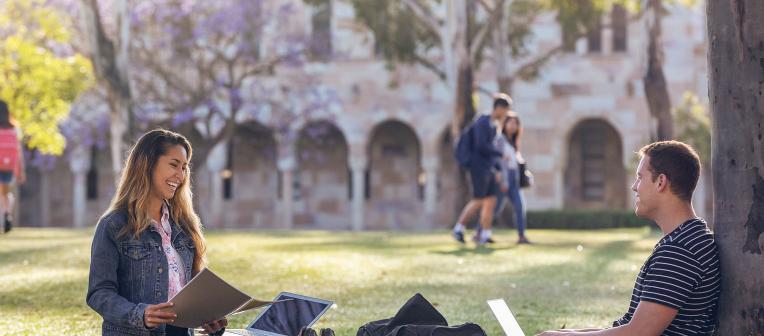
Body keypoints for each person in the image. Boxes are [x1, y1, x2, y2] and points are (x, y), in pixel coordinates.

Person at [537, 141, 721, 336]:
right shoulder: (692, 237)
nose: (634, 187)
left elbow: (638, 333)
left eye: (640, 178)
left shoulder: (680, 251)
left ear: (661, 182)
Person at [87, 129, 227, 336]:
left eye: (184, 167)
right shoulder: (114, 225)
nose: (180, 175)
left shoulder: (184, 226)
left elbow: (193, 292)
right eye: (173, 165)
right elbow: (99, 293)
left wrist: (211, 320)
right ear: (147, 165)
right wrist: (140, 314)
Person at [452, 93, 510, 245]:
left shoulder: (493, 125)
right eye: (505, 111)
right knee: (478, 200)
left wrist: (496, 167)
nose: (505, 115)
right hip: (478, 167)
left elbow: (490, 152)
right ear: (499, 108)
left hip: (488, 167)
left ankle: (485, 234)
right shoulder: (482, 122)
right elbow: (481, 146)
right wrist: (500, 154)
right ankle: (459, 228)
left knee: (490, 200)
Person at [492, 112, 530, 244]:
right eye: (511, 122)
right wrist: (499, 173)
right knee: (495, 208)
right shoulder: (500, 140)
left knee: (520, 207)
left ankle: (521, 236)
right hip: (504, 177)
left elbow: (515, 161)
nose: (513, 126)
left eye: (516, 123)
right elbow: (496, 158)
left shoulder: (514, 142)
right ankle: (480, 232)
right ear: (505, 124)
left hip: (515, 178)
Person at [0, 100, 25, 233]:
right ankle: (7, 215)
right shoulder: (14, 128)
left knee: (3, 194)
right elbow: (18, 151)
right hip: (9, 166)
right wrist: (20, 170)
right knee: (5, 193)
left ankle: (5, 216)